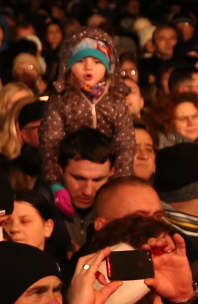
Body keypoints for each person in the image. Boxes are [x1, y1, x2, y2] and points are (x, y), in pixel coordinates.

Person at [40, 28, 136, 186]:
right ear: (68, 65)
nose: (88, 67)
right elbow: (51, 144)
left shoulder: (116, 103)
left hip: (106, 178)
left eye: (97, 62)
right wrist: (55, 183)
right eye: (80, 61)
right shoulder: (60, 101)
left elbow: (125, 145)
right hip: (70, 178)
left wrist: (118, 183)